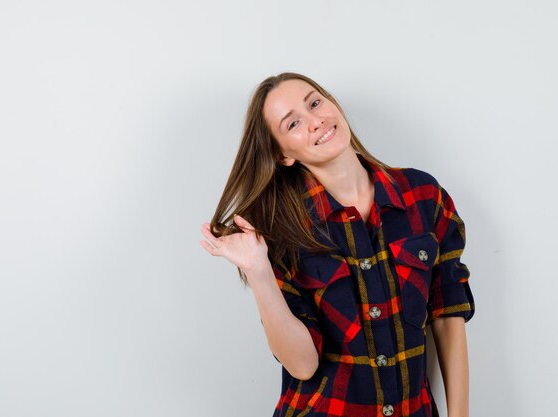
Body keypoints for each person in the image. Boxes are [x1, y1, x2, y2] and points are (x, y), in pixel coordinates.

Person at [199, 72, 475, 417]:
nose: (315, 121)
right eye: (293, 124)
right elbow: (302, 365)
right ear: (283, 155)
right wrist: (259, 273)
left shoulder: (423, 196)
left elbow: (448, 315)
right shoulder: (275, 231)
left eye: (315, 102)